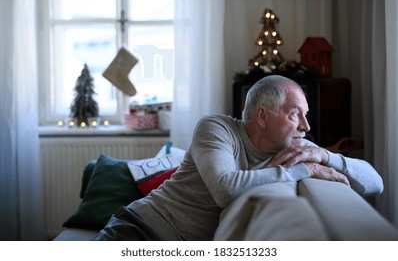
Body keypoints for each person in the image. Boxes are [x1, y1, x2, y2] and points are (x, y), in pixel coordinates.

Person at [94, 74, 383, 241]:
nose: (306, 126)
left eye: (306, 116)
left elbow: (376, 183)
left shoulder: (295, 146)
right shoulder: (216, 128)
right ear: (262, 115)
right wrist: (304, 171)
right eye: (296, 114)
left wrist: (324, 156)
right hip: (137, 229)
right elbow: (226, 188)